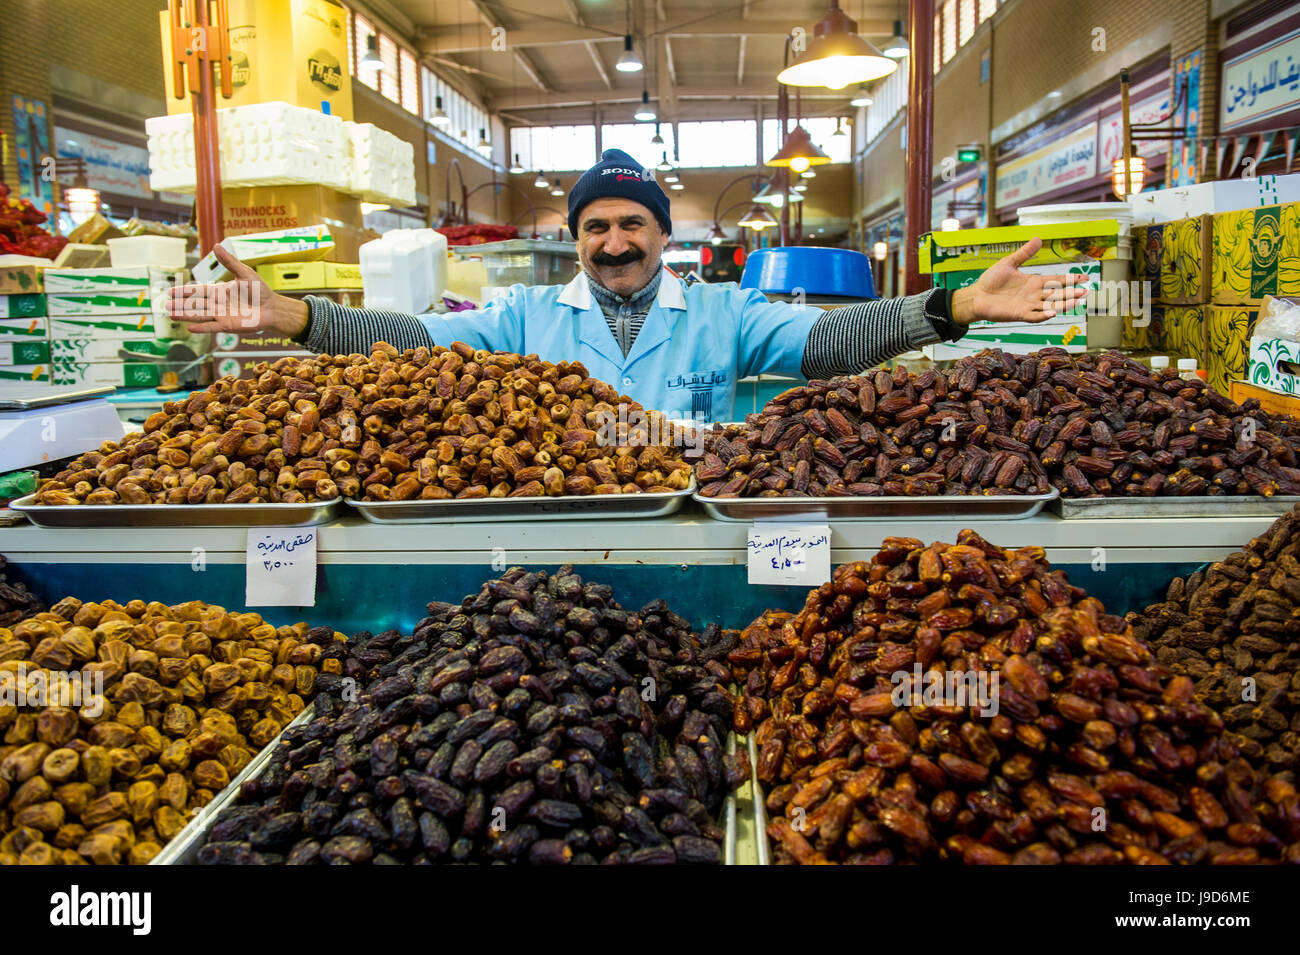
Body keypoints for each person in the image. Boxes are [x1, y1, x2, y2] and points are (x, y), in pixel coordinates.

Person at [169, 148, 1085, 423]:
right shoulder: (525, 315)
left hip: (696, 515)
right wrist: (290, 314)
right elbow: (410, 343)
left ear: (663, 234)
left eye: (632, 224)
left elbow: (825, 344)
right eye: (596, 227)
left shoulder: (721, 312)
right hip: (552, 520)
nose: (614, 242)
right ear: (575, 239)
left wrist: (952, 307)